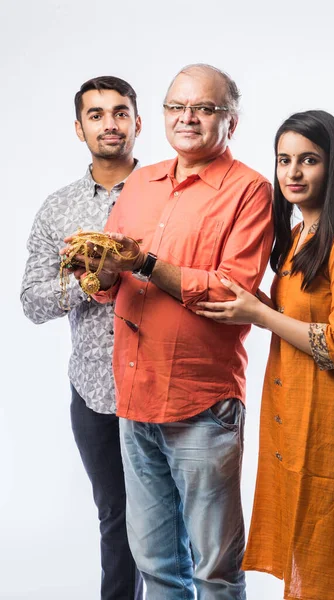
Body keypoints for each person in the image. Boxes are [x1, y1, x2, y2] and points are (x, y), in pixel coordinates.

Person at [65, 63, 274, 600]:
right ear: (160, 115)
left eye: (203, 108)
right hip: (133, 403)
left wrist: (147, 262)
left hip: (201, 404)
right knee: (156, 564)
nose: (187, 118)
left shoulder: (249, 191)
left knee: (214, 571)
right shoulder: (141, 181)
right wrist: (98, 268)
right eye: (176, 107)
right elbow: (111, 281)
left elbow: (234, 289)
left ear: (230, 119)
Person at [196, 110, 334, 600]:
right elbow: (301, 317)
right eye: (284, 160)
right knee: (307, 560)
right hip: (296, 421)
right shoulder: (297, 236)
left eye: (309, 160)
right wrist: (253, 302)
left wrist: (262, 316)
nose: (293, 173)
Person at [21, 76, 143, 600]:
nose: (109, 123)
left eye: (120, 112)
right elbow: (31, 301)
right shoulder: (58, 208)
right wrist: (90, 279)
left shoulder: (169, 192)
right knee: (116, 519)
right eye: (96, 115)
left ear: (138, 122)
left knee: (175, 522)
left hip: (167, 384)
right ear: (79, 128)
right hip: (95, 390)